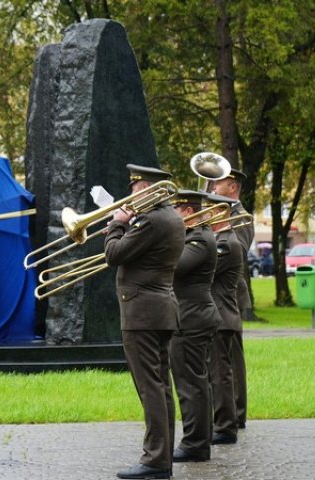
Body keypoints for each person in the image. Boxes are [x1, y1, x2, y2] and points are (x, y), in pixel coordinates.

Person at [104, 164, 185, 480]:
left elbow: (113, 254)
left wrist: (116, 224)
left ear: (148, 189)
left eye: (136, 188)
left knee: (150, 387)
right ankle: (161, 459)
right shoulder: (170, 217)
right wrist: (125, 226)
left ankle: (154, 460)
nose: (131, 194)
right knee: (161, 386)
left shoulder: (151, 220)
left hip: (142, 312)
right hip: (160, 310)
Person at [169, 190, 221, 462]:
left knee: (192, 384)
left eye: (174, 211)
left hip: (193, 318)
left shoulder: (199, 238)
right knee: (193, 382)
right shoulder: (193, 236)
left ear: (187, 211)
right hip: (190, 316)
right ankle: (197, 441)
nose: (171, 217)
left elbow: (173, 265)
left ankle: (195, 444)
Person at [210, 168, 253, 429]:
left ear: (233, 187)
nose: (213, 186)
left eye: (219, 182)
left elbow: (239, 250)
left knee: (232, 358)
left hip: (230, 293)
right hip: (214, 294)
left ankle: (237, 412)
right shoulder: (215, 211)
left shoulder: (242, 217)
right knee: (220, 359)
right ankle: (224, 409)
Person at [205, 193, 244, 445]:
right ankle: (220, 423)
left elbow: (203, 269)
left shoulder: (227, 243)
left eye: (209, 211)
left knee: (220, 375)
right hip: (219, 315)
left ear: (220, 213)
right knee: (216, 373)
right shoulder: (221, 240)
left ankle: (226, 426)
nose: (205, 215)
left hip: (222, 317)